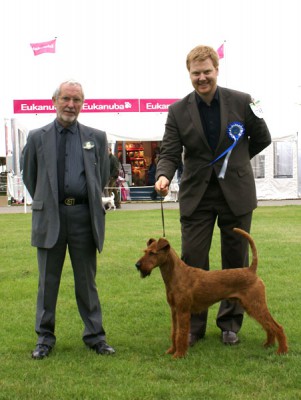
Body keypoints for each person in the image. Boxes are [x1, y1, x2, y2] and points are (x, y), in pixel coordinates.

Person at [155, 45, 272, 347]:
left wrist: (236, 161)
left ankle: (230, 324)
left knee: (236, 259)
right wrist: (164, 175)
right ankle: (193, 325)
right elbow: (169, 151)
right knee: (192, 258)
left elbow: (262, 137)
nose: (202, 78)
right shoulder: (177, 111)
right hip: (197, 194)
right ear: (189, 74)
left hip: (236, 191)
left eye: (207, 71)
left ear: (217, 70)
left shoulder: (243, 101)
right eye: (196, 73)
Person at [21, 80, 115, 359]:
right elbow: (30, 176)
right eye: (66, 99)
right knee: (47, 282)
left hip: (84, 217)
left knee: (87, 281)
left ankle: (95, 336)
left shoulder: (96, 137)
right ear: (55, 101)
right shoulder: (37, 137)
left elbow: (100, 177)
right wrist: (49, 201)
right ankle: (44, 338)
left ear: (82, 104)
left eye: (77, 100)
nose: (71, 105)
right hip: (50, 216)